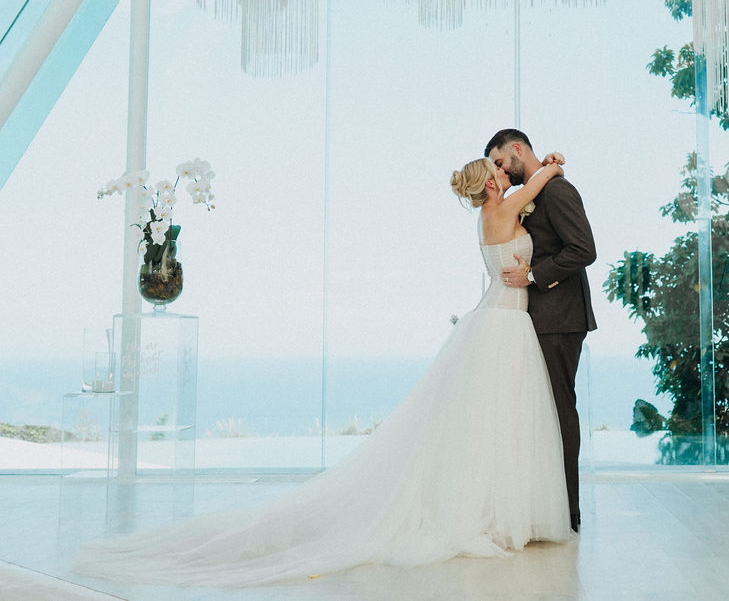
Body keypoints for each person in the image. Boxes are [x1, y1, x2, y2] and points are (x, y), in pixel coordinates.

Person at [72, 154, 570, 587]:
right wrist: (550, 163)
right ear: (491, 185)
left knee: (491, 422)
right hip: (505, 323)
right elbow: (540, 180)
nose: (504, 175)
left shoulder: (490, 214)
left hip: (500, 320)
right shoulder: (505, 206)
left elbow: (524, 198)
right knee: (501, 421)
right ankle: (498, 511)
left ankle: (496, 508)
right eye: (498, 172)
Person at [485, 129, 597, 533]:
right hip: (538, 318)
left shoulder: (558, 191)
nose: (500, 171)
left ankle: (568, 512)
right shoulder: (533, 192)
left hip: (561, 319)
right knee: (540, 412)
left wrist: (533, 275)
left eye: (500, 161)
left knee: (559, 409)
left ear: (518, 149)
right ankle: (543, 506)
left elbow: (583, 249)